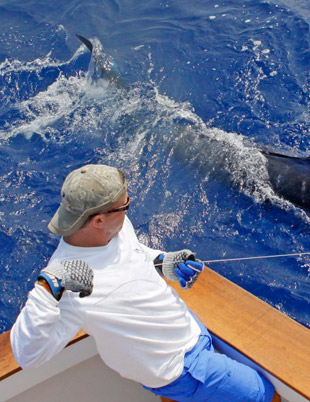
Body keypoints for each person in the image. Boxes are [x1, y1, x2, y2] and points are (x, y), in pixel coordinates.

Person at [10, 164, 277, 402]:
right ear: (98, 220)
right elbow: (28, 356)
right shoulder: (70, 286)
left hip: (186, 331)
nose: (128, 208)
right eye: (124, 206)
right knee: (265, 395)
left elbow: (134, 256)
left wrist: (164, 262)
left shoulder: (112, 229)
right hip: (181, 367)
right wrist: (46, 290)